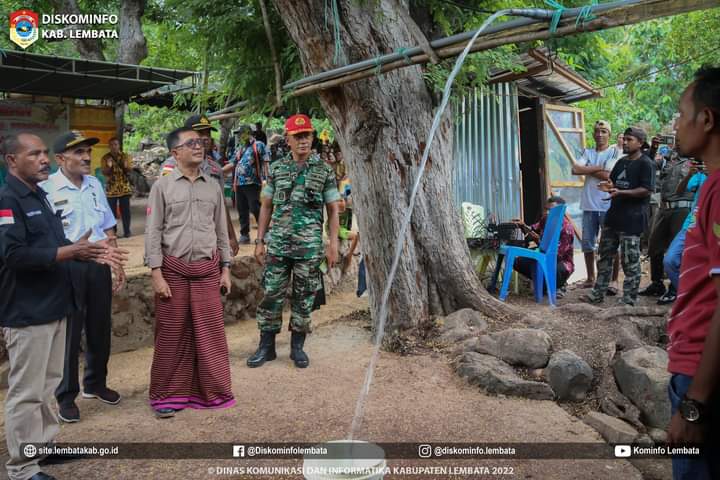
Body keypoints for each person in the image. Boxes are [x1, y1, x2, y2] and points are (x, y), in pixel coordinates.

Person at [0, 133, 125, 480]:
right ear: (12, 161)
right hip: (28, 310)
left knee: (47, 385)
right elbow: (13, 256)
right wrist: (72, 251)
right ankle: (22, 468)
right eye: (34, 154)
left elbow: (56, 245)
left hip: (55, 303)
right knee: (27, 391)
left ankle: (42, 447)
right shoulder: (8, 200)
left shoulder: (38, 194)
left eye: (44, 153)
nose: (43, 159)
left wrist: (89, 251)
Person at [145, 127, 235, 418]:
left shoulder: (213, 186)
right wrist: (156, 273)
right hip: (173, 271)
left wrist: (225, 268)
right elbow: (153, 232)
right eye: (191, 143)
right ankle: (167, 396)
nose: (199, 146)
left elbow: (221, 231)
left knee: (210, 335)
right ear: (175, 152)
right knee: (172, 335)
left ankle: (213, 392)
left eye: (200, 142)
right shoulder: (162, 187)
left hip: (208, 272)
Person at [41, 131, 125, 424]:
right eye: (78, 152)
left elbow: (108, 226)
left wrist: (116, 263)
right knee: (70, 332)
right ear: (60, 159)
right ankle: (65, 396)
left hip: (99, 263)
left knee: (100, 325)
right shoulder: (47, 188)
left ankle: (95, 383)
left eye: (88, 151)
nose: (87, 157)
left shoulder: (95, 184)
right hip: (68, 267)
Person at [247, 114, 341, 369]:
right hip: (278, 245)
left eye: (307, 135)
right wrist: (260, 241)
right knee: (271, 294)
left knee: (304, 296)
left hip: (309, 248)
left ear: (312, 137)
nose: (303, 140)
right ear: (287, 139)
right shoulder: (277, 169)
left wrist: (333, 244)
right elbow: (266, 206)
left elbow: (333, 210)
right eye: (297, 136)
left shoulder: (324, 170)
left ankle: (297, 347)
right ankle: (266, 347)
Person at [666, 66, 720, 479]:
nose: (676, 125)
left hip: (703, 372)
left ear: (706, 119)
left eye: (682, 114)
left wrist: (694, 404)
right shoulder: (710, 183)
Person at [583, 127, 655, 306]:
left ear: (640, 143)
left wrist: (621, 192)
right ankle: (597, 294)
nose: (625, 142)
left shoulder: (646, 164)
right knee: (604, 257)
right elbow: (613, 182)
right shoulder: (622, 162)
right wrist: (607, 186)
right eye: (625, 139)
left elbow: (646, 190)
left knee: (630, 261)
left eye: (630, 140)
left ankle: (629, 299)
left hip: (633, 219)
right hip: (613, 217)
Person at [162, 115, 239, 256]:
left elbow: (221, 205)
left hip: (208, 240)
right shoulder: (172, 166)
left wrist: (231, 236)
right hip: (178, 241)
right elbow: (161, 208)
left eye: (208, 133)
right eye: (200, 133)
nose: (205, 138)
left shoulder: (215, 169)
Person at [640, 138, 693, 300]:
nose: (678, 143)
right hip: (664, 208)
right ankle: (657, 284)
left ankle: (675, 288)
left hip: (683, 209)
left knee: (677, 251)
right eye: (676, 141)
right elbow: (648, 165)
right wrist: (653, 148)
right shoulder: (668, 159)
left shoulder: (696, 162)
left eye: (681, 140)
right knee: (654, 245)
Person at [571, 120, 621, 291]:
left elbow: (609, 176)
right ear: (593, 134)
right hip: (588, 205)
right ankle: (590, 278)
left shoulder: (615, 152)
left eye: (604, 131)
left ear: (609, 134)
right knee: (587, 244)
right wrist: (599, 167)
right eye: (597, 131)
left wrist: (588, 168)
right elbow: (575, 170)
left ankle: (614, 280)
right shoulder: (588, 152)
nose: (600, 134)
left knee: (612, 244)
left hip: (607, 205)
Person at [660, 160, 707, 305]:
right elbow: (679, 192)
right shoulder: (701, 174)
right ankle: (689, 297)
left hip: (712, 229)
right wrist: (689, 175)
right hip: (691, 224)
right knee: (670, 261)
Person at [511, 196, 575, 295]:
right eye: (546, 209)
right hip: (544, 255)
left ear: (561, 212)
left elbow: (556, 256)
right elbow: (532, 229)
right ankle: (543, 284)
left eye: (551, 210)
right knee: (517, 261)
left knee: (554, 268)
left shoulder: (566, 229)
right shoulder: (545, 219)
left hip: (560, 262)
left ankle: (559, 285)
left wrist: (538, 242)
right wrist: (522, 225)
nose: (547, 212)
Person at [223, 125, 269, 244]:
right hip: (238, 183)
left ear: (248, 133)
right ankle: (244, 234)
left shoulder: (258, 145)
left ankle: (265, 232)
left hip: (253, 182)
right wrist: (220, 171)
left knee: (255, 207)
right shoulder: (240, 148)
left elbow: (265, 162)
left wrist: (267, 179)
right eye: (239, 134)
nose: (239, 136)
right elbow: (233, 163)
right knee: (241, 209)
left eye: (241, 133)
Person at [101, 137, 133, 238]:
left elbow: (129, 170)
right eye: (112, 145)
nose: (114, 146)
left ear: (119, 145)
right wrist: (109, 166)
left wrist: (125, 166)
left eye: (116, 144)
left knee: (126, 211)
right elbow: (104, 172)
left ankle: (127, 231)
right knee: (111, 212)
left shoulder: (125, 156)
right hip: (111, 189)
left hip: (124, 187)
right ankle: (113, 232)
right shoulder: (105, 158)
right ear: (109, 146)